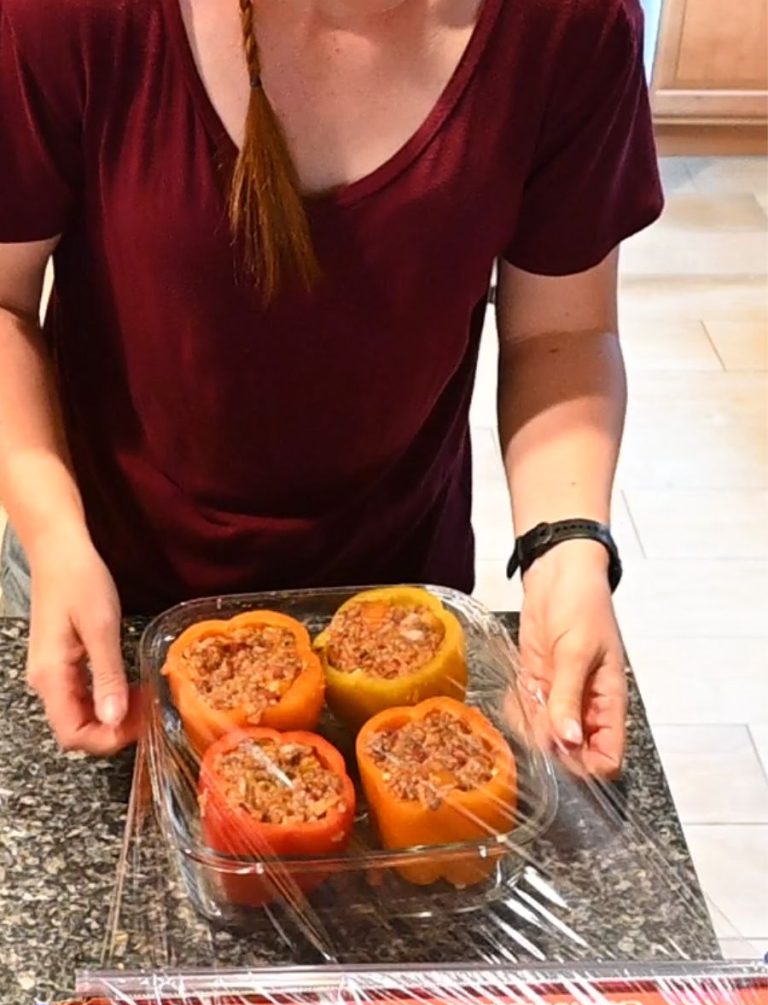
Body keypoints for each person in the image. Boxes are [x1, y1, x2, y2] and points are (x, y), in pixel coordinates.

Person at [0, 0, 662, 768]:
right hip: (104, 586)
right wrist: (53, 536)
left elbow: (563, 333)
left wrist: (566, 548)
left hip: (399, 606)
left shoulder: (572, 23)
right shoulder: (64, 15)